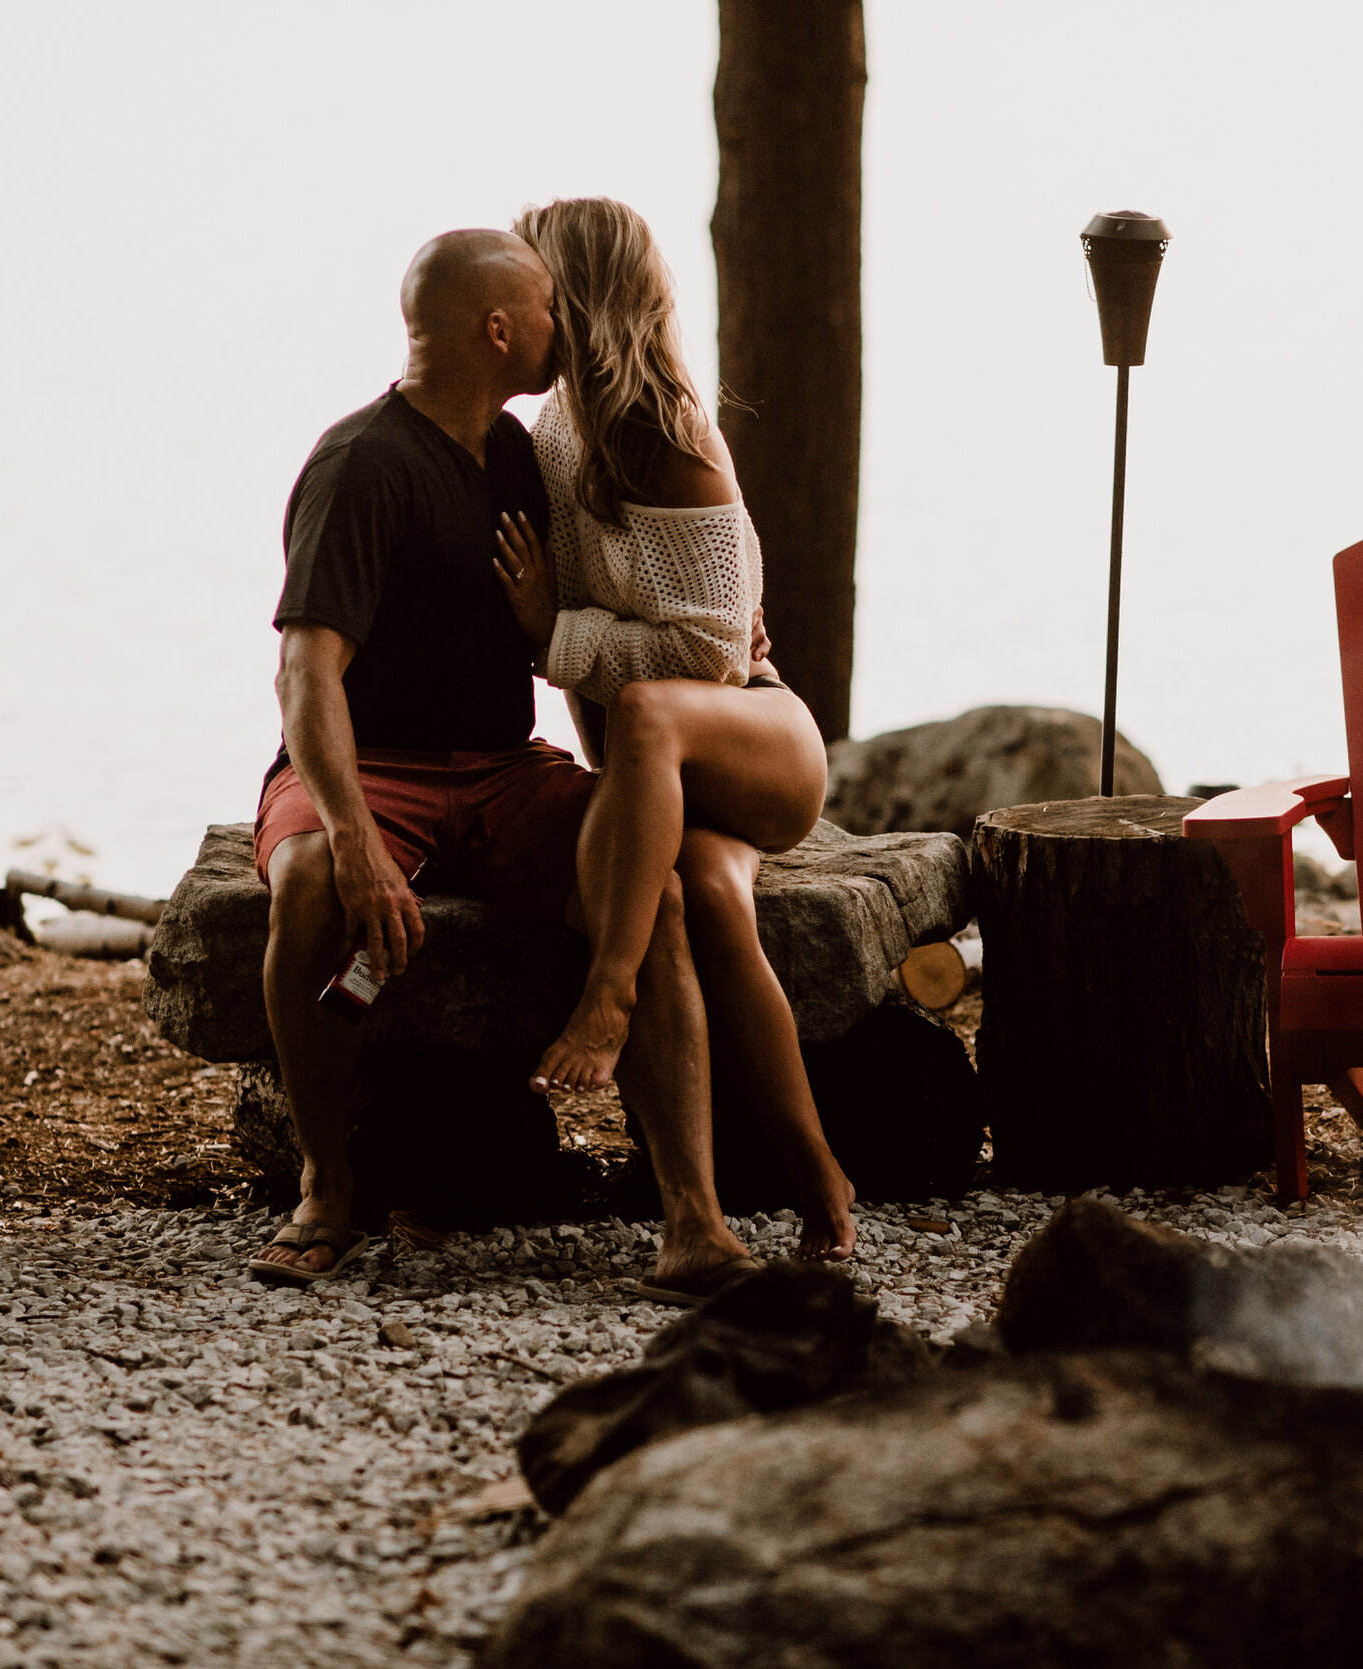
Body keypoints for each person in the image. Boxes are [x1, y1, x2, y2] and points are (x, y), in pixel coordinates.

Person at [245, 228, 760, 1295]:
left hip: (501, 767)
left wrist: (733, 629)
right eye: (547, 313)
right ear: (498, 329)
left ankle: (693, 1220)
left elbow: (641, 559)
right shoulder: (362, 465)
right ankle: (326, 1184)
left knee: (645, 889)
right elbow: (306, 677)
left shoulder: (527, 452)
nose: (563, 329)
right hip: (372, 765)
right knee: (303, 891)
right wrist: (347, 834)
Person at [491, 196, 856, 1264]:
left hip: (758, 740)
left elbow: (711, 658)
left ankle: (607, 994)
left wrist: (556, 631)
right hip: (664, 763)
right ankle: (820, 1178)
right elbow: (580, 647)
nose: (521, 303)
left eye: (536, 283)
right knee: (701, 900)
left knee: (652, 702)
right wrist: (575, 675)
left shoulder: (666, 437)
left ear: (580, 296)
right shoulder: (557, 432)